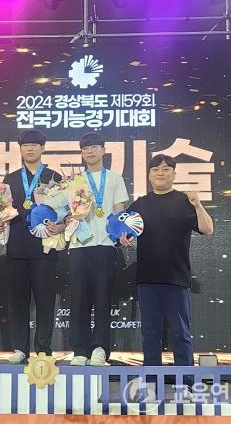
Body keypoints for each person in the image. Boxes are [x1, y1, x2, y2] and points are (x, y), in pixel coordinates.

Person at [120, 154, 214, 396]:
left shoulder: (185, 201)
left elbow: (207, 229)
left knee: (181, 333)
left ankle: (187, 385)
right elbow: (123, 233)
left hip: (176, 279)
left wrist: (198, 204)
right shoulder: (140, 204)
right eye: (155, 170)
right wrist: (123, 237)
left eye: (165, 169)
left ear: (174, 173)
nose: (160, 173)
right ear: (149, 175)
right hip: (147, 279)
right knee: (150, 334)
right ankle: (152, 385)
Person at [0, 129, 64, 364]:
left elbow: (65, 211)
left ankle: (43, 349)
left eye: (34, 145)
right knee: (17, 301)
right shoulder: (9, 180)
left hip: (45, 249)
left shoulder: (54, 177)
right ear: (20, 149)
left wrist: (61, 225)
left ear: (43, 148)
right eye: (25, 145)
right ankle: (20, 348)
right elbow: (0, 212)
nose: (29, 149)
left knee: (45, 301)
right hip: (17, 249)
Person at [68, 132, 129, 367]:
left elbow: (119, 210)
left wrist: (121, 233)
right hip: (79, 244)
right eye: (85, 149)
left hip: (105, 245)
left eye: (94, 147)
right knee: (78, 299)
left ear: (103, 150)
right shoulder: (74, 181)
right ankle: (79, 350)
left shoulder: (114, 178)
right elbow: (65, 211)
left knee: (103, 299)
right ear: (81, 153)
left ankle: (100, 349)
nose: (90, 152)